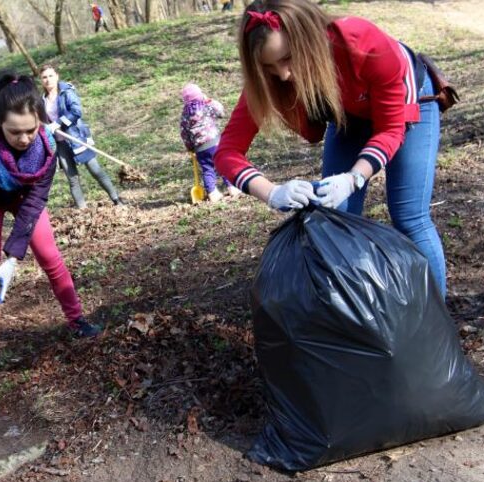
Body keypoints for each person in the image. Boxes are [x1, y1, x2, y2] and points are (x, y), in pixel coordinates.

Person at [215, 0, 448, 297]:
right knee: (335, 216)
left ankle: (437, 323)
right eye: (269, 66)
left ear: (308, 40)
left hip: (407, 104)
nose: (283, 75)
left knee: (409, 214)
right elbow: (226, 153)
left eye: (287, 59)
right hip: (348, 114)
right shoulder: (268, 82)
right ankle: (355, 314)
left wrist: (354, 178)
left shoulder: (362, 44)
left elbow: (390, 129)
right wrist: (272, 192)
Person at [0, 71, 102, 338]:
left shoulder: (46, 149)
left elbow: (35, 201)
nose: (24, 139)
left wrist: (14, 259)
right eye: (14, 132)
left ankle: (77, 321)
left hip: (26, 200)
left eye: (30, 130)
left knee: (50, 256)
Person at [39, 64, 124, 209]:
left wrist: (58, 123)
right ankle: (83, 211)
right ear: (41, 80)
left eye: (51, 76)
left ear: (57, 76)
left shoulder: (67, 92)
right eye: (44, 77)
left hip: (77, 138)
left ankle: (117, 201)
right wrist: (46, 126)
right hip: (60, 144)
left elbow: (76, 111)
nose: (48, 80)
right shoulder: (42, 100)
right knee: (72, 179)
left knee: (96, 171)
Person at [180, 83, 240, 201]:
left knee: (208, 169)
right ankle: (232, 187)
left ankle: (213, 193)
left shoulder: (185, 116)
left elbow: (184, 133)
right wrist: (209, 100)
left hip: (200, 148)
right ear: (200, 95)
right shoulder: (206, 107)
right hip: (215, 143)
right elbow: (220, 112)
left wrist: (190, 147)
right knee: (223, 165)